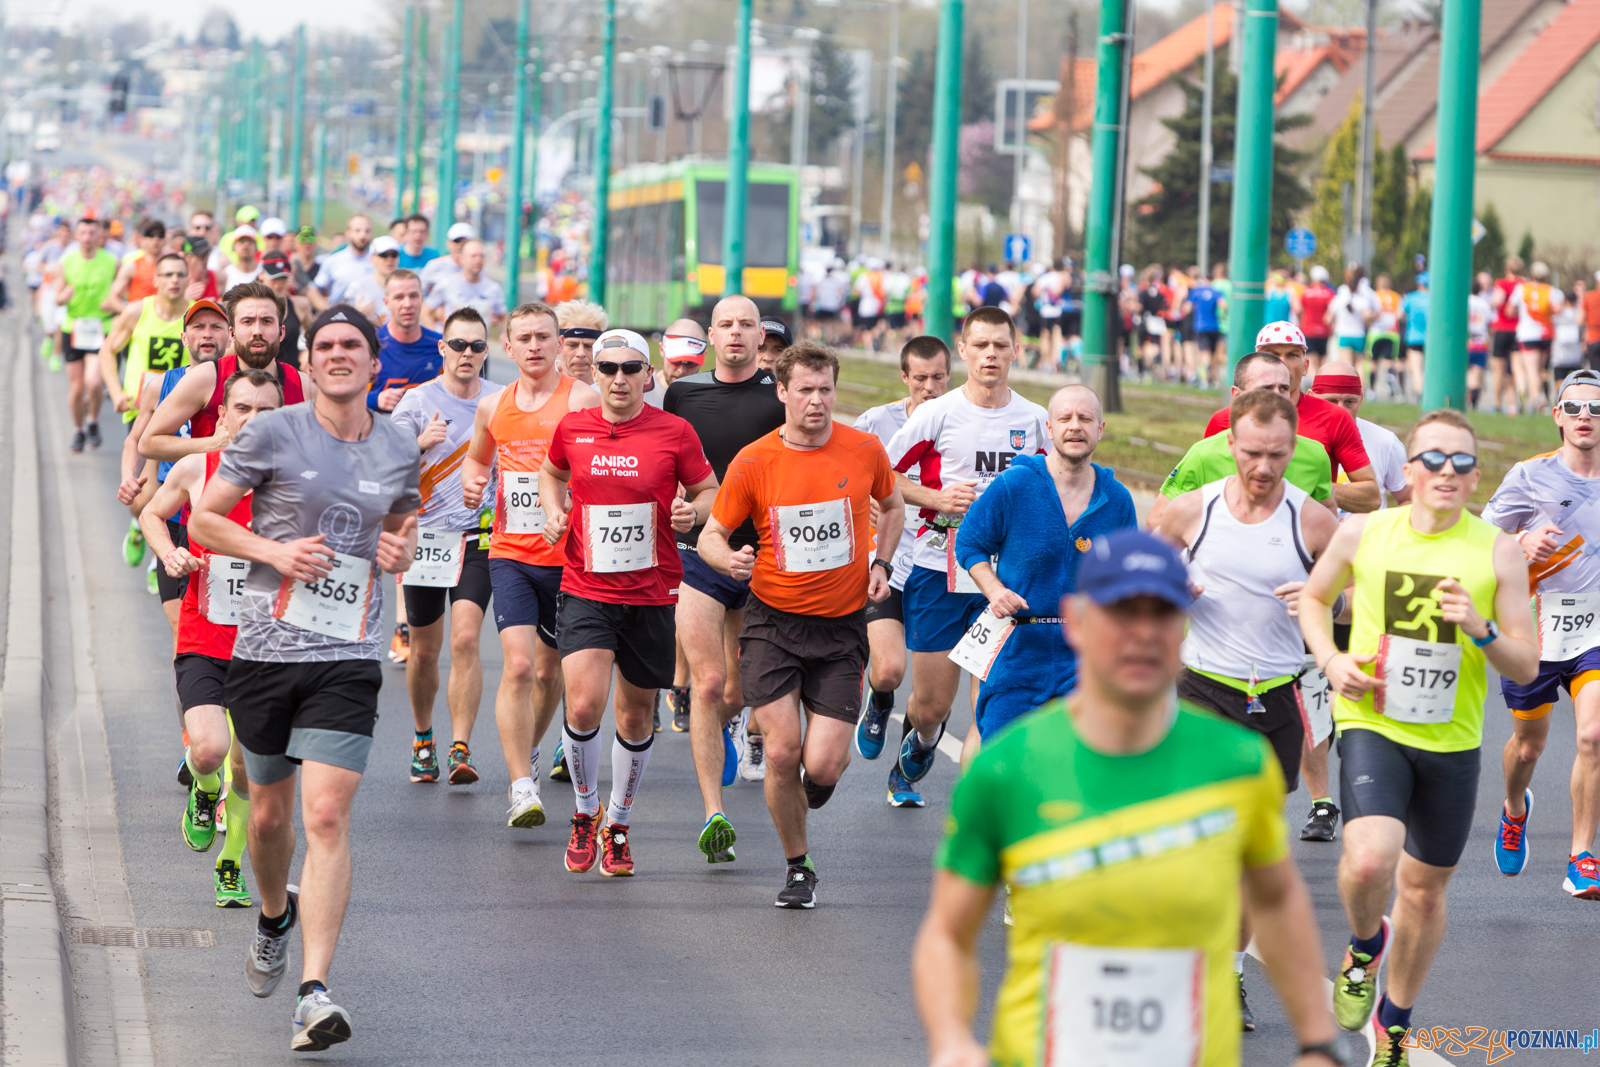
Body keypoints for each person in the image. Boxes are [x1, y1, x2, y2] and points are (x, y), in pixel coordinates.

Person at [914, 527, 1342, 1067]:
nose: (1143, 634)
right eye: (1121, 614)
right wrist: (952, 1041)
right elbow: (948, 934)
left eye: (1161, 614)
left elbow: (1278, 901)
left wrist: (1318, 1042)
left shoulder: (1237, 763)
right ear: (1079, 623)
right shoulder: (1008, 767)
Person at [190, 305, 421, 1052]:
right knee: (266, 817)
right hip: (262, 649)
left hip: (348, 654)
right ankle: (270, 914)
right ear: (309, 360)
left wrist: (399, 553)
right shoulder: (269, 430)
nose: (338, 355)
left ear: (373, 360)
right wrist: (275, 552)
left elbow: (404, 527)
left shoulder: (397, 443)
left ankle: (314, 990)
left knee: (325, 816)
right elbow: (205, 519)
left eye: (352, 344)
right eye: (325, 346)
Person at [1300, 409, 1538, 1064]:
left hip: (1451, 739)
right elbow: (1316, 601)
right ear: (1407, 471)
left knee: (1426, 892)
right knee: (1373, 857)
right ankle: (1363, 944)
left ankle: (1395, 1021)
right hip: (1373, 718)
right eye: (1433, 458)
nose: (1447, 472)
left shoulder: (1497, 550)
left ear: (1475, 476)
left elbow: (1526, 662)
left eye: (1462, 461)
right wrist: (1330, 660)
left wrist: (1482, 629)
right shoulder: (1365, 532)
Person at [1157, 386, 1340, 1029]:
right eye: (1253, 453)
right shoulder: (1190, 512)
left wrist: (1320, 603)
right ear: (1230, 444)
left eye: (1278, 455)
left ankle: (1224, 978)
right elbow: (1137, 577)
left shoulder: (1313, 522)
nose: (1264, 468)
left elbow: (1350, 603)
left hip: (1279, 697)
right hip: (1202, 686)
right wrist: (1168, 586)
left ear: (1295, 450)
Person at [698, 342, 904, 907]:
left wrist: (881, 563)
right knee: (784, 751)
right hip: (771, 623)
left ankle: (808, 788)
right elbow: (713, 534)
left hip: (840, 630)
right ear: (782, 392)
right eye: (806, 390)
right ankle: (797, 866)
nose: (817, 401)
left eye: (826, 390)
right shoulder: (755, 460)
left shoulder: (863, 450)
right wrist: (728, 560)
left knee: (823, 766)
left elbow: (892, 508)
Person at [538, 329, 719, 875]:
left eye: (630, 368)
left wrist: (695, 512)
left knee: (636, 716)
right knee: (584, 705)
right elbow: (551, 473)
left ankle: (617, 823)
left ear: (647, 374)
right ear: (594, 373)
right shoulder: (573, 428)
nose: (619, 378)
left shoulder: (675, 431)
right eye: (609, 368)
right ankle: (584, 812)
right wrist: (553, 511)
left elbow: (708, 490)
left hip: (652, 591)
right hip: (586, 586)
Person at [883, 306, 1049, 806]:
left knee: (990, 705)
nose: (991, 354)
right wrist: (936, 499)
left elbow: (1062, 487)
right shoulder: (939, 413)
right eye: (981, 345)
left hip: (1003, 580)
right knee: (932, 704)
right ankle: (923, 738)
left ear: (1016, 350)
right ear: (964, 351)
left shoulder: (1036, 420)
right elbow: (882, 477)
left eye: (1001, 345)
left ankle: (980, 813)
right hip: (939, 571)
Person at [140, 367, 284, 907]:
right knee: (208, 750)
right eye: (242, 408)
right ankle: (203, 790)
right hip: (205, 635)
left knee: (249, 769)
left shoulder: (297, 478)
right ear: (222, 415)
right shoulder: (198, 466)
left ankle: (230, 864)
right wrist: (168, 550)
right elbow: (153, 514)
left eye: (265, 411)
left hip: (268, 646)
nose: (252, 419)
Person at [461, 302, 600, 829]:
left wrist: (568, 509)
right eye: (525, 337)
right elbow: (478, 458)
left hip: (571, 558)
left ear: (560, 343)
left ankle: (533, 746)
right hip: (512, 552)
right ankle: (522, 785)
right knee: (518, 666)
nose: (536, 345)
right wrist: (475, 482)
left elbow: (604, 463)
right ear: (509, 346)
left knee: (549, 671)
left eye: (545, 336)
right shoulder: (493, 406)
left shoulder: (582, 399)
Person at [664, 296, 786, 861]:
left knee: (738, 690)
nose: (736, 333)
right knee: (708, 684)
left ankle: (737, 725)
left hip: (764, 558)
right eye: (726, 325)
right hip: (700, 553)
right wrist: (678, 506)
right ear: (710, 336)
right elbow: (670, 468)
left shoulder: (781, 393)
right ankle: (714, 812)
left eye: (747, 325)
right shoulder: (683, 394)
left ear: (761, 337)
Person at [956, 383, 1136, 745]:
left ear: (1100, 430)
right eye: (1065, 418)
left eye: (1085, 418)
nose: (1075, 426)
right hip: (1017, 652)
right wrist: (995, 590)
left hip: (1084, 661)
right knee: (1007, 768)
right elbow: (970, 542)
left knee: (1075, 769)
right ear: (1049, 429)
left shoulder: (1116, 500)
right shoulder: (1015, 485)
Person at [1483, 369, 1600, 897]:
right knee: (1527, 748)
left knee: (1593, 735)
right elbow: (1478, 538)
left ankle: (1581, 857)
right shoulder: (1530, 476)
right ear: (1556, 416)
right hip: (1534, 624)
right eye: (1574, 408)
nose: (1585, 418)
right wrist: (1522, 541)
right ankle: (1514, 808)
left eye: (1596, 409)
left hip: (1594, 624)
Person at [390, 308, 500, 785]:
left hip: (480, 536)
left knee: (466, 639)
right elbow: (383, 465)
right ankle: (422, 738)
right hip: (427, 539)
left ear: (487, 351)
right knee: (424, 651)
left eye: (477, 346)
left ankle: (460, 746)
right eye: (458, 345)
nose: (467, 354)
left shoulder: (501, 399)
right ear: (442, 348)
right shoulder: (417, 402)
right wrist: (418, 443)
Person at [851, 336, 952, 777]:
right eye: (921, 379)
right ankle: (880, 698)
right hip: (888, 559)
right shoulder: (876, 422)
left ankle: (903, 772)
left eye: (938, 378)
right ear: (905, 378)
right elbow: (840, 475)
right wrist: (862, 501)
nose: (929, 387)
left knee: (933, 695)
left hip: (944, 565)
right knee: (890, 669)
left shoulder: (961, 423)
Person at [1206, 321, 1378, 514]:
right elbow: (1203, 486)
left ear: (1305, 367)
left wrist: (1310, 486)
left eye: (1292, 355)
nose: (1282, 362)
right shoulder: (1223, 419)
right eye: (1271, 355)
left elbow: (1371, 497)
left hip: (1305, 536)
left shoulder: (1335, 417)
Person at [1148, 354, 1336, 529]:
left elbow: (1328, 522)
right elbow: (1156, 521)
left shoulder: (1315, 455)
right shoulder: (1204, 454)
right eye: (1266, 388)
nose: (1277, 396)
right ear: (1237, 395)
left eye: (1284, 388)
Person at [142, 282, 307, 468]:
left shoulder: (304, 385)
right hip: (212, 495)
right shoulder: (206, 377)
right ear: (232, 333)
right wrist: (211, 445)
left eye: (267, 321)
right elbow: (148, 443)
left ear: (281, 332)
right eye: (248, 322)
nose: (257, 331)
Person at [1307, 360, 1411, 511]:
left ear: (1361, 398)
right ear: (1311, 397)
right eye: (1331, 401)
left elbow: (1408, 500)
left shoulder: (1385, 442)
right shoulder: (1295, 438)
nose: (1341, 411)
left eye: (1350, 402)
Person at [58, 216, 116, 451]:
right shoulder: (66, 262)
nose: (88, 237)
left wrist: (113, 302)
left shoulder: (112, 262)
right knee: (76, 388)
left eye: (93, 233)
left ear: (99, 236)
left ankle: (92, 420)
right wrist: (64, 296)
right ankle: (78, 430)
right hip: (73, 328)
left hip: (100, 328)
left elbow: (120, 290)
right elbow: (56, 296)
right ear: (76, 235)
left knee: (94, 383)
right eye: (83, 233)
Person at [370, 269, 442, 413]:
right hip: (379, 431)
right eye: (399, 297)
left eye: (413, 296)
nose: (407, 304)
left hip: (427, 432)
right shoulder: (369, 343)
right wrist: (375, 399)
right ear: (387, 302)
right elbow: (340, 393)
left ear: (422, 298)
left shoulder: (441, 346)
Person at [1509, 261, 1563, 414]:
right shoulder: (1552, 291)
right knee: (1541, 370)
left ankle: (1537, 400)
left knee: (1532, 371)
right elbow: (1558, 309)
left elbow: (1510, 310)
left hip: (1528, 334)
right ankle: (1539, 399)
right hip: (1546, 334)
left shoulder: (1522, 289)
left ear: (1532, 274)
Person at [424, 239, 506, 331]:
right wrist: (435, 338)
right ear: (462, 259)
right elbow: (425, 311)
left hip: (481, 344)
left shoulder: (493, 288)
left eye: (481, 256)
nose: (478, 260)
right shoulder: (448, 283)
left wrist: (505, 337)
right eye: (473, 256)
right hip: (454, 343)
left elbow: (503, 317)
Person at [311, 214, 375, 309]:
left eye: (367, 231)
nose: (362, 235)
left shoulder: (376, 262)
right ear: (348, 233)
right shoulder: (333, 260)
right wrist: (329, 313)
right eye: (357, 230)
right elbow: (313, 292)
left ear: (371, 234)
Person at [642, 319, 707, 409]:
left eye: (690, 363)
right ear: (661, 349)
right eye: (676, 361)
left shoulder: (708, 398)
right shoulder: (639, 391)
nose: (681, 370)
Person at [260, 253, 308, 362]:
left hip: (291, 375)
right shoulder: (249, 307)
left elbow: (310, 337)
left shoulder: (300, 305)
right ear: (261, 275)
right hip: (260, 375)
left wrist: (305, 357)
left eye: (283, 278)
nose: (279, 283)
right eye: (274, 278)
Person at [344, 235, 400, 326]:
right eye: (383, 255)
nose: (389, 259)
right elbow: (344, 320)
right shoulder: (358, 287)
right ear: (372, 258)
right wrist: (357, 315)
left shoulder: (404, 287)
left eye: (394, 255)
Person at [1329, 264, 1376, 373]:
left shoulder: (1339, 298)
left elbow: (1328, 318)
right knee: (1359, 364)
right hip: (1359, 334)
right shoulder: (1362, 300)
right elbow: (1367, 316)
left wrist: (1335, 324)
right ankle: (1361, 388)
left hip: (1343, 334)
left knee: (1347, 366)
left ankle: (1348, 389)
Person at [109, 218, 165, 306]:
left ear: (165, 239)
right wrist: (128, 313)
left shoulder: (173, 266)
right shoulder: (132, 266)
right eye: (151, 235)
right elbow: (113, 297)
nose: (156, 239)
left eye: (160, 235)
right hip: (139, 316)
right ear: (142, 239)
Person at [1367, 273, 1402, 400]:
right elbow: (1399, 314)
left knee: (1373, 362)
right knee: (1389, 362)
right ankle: (1391, 387)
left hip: (1375, 333)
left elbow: (1369, 313)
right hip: (1391, 333)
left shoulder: (1374, 296)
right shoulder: (1396, 296)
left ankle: (1371, 390)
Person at [555, 300, 607, 384]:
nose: (581, 354)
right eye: (572, 345)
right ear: (558, 344)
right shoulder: (539, 380)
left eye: (588, 346)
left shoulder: (609, 387)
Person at [419, 221, 475, 298]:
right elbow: (418, 291)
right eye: (456, 241)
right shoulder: (435, 265)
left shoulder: (478, 269)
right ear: (448, 243)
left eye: (464, 241)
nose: (460, 245)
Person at [1301, 265, 1336, 376]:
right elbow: (1332, 312)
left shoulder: (1306, 292)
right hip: (1324, 331)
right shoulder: (1329, 293)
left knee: (1311, 360)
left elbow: (1300, 310)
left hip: (1309, 330)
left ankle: (1313, 384)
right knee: (1323, 361)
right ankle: (1320, 382)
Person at [1400, 272, 1429, 402]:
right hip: (1431, 339)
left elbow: (1398, 315)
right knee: (1428, 368)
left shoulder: (1410, 298)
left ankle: (1421, 394)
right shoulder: (1436, 298)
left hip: (1414, 338)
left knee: (1416, 369)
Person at [223, 226, 263, 291]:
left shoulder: (264, 270)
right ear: (234, 246)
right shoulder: (226, 274)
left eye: (250, 241)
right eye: (241, 241)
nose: (246, 245)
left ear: (256, 246)